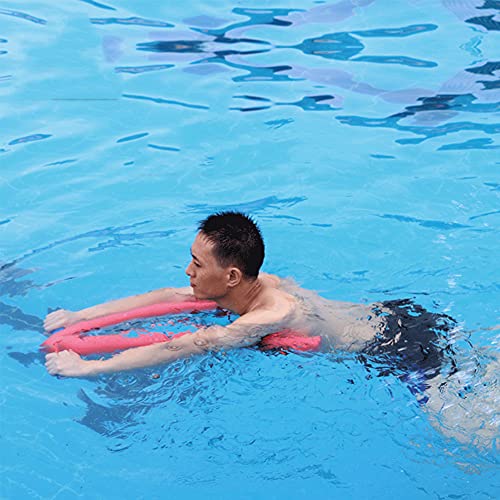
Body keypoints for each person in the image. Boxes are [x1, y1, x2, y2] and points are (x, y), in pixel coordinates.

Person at [44, 211, 498, 448]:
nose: (188, 271)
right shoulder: (253, 283)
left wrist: (89, 369)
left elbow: (188, 344)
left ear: (232, 277)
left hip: (399, 346)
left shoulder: (269, 314)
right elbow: (168, 295)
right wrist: (81, 317)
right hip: (394, 313)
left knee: (458, 432)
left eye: (197, 264)